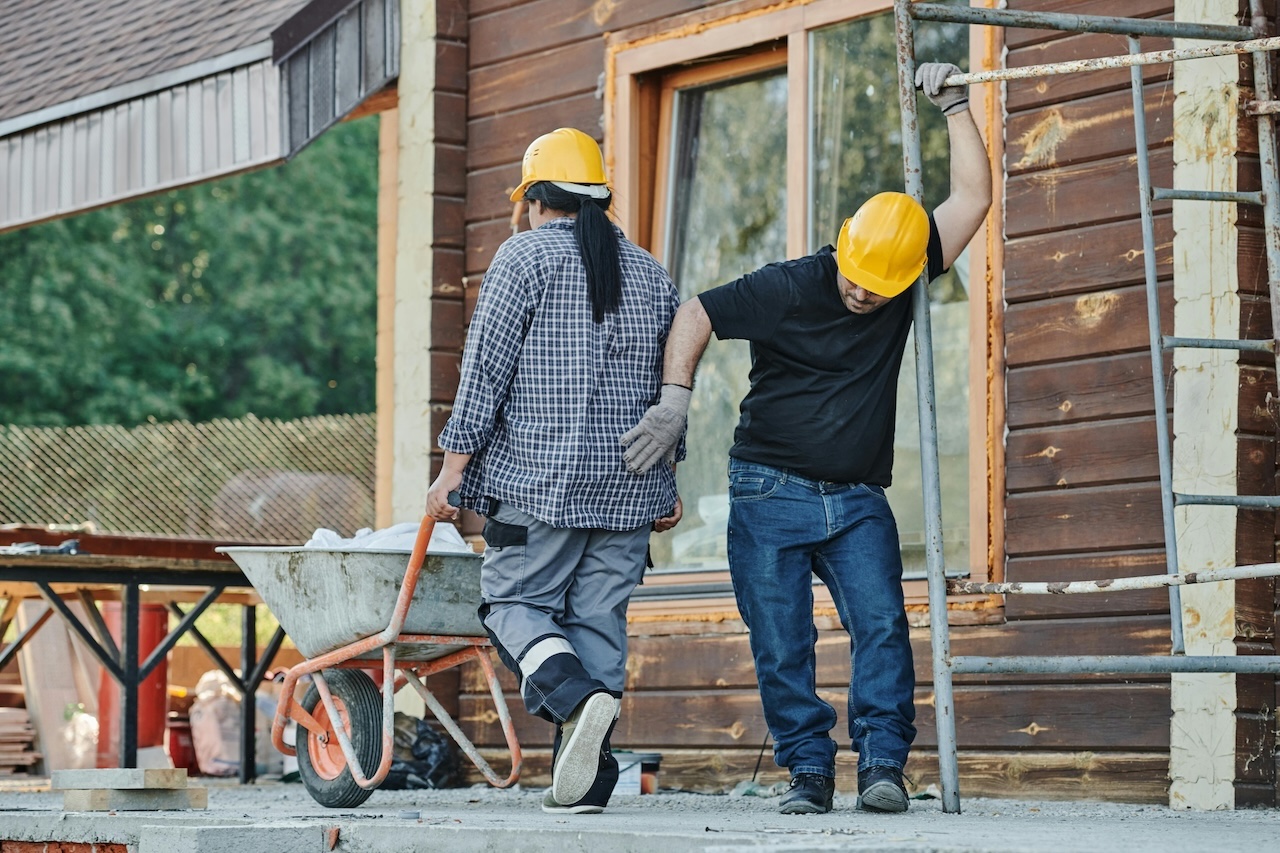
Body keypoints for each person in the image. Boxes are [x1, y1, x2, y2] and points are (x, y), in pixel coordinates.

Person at [619, 62, 992, 815]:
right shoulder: (789, 284)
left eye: (875, 291)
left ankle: (884, 764)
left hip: (856, 499)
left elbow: (973, 198)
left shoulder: (900, 269)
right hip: (768, 490)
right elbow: (696, 312)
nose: (861, 295)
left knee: (882, 625)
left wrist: (954, 105)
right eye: (855, 281)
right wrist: (675, 399)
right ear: (843, 249)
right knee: (782, 644)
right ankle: (809, 772)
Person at [425, 127, 683, 815]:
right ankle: (589, 782)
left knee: (514, 604)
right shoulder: (652, 271)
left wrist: (453, 468)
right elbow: (670, 390)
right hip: (631, 488)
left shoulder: (524, 258)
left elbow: (485, 371)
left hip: (540, 484)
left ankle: (576, 701)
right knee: (598, 617)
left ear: (536, 199)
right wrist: (670, 482)